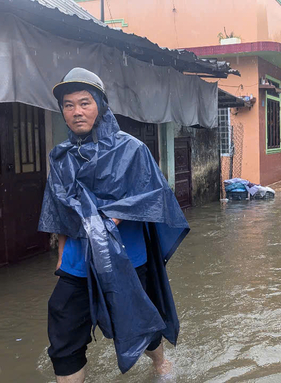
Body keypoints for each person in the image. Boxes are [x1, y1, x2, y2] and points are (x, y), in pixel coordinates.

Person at [38, 68, 189, 382]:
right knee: (63, 335)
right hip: (77, 264)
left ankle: (160, 363)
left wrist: (114, 214)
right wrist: (62, 257)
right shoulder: (60, 157)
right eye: (68, 105)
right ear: (62, 112)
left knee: (142, 324)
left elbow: (157, 196)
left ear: (101, 105)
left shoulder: (132, 150)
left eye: (84, 102)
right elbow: (60, 214)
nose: (77, 111)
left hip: (128, 260)